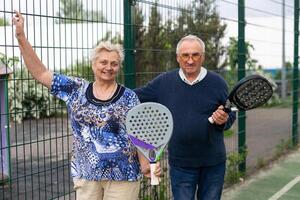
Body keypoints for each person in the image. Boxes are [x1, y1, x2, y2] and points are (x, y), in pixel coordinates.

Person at [13, 11, 160, 200]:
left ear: (119, 67)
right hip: (86, 174)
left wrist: (149, 163)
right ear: (93, 64)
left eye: (114, 64)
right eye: (103, 62)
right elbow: (40, 73)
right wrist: (20, 36)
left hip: (124, 176)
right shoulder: (76, 89)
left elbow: (141, 135)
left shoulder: (129, 97)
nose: (108, 67)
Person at [134, 34, 236, 200]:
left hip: (213, 163)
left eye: (195, 55)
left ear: (202, 57)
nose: (190, 60)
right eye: (185, 55)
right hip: (181, 164)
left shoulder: (218, 83)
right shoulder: (163, 82)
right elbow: (134, 97)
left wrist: (223, 120)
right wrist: (108, 92)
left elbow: (230, 114)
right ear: (177, 58)